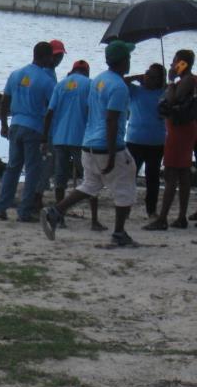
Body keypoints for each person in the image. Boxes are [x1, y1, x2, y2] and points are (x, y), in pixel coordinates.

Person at [41, 40, 138, 247]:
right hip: (107, 145)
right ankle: (119, 233)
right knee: (125, 186)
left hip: (88, 143)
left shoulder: (99, 80)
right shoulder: (118, 87)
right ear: (124, 61)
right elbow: (111, 120)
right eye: (128, 57)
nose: (130, 60)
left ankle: (55, 211)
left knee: (90, 184)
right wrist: (112, 153)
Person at [0, 42, 55, 222]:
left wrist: (4, 124)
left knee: (12, 167)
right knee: (32, 170)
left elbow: (4, 101)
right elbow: (52, 109)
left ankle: (1, 207)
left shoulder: (16, 74)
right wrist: (46, 135)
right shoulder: (46, 80)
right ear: (47, 57)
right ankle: (24, 211)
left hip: (15, 124)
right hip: (34, 127)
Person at [42, 59, 104, 230]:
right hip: (80, 139)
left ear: (72, 71)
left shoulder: (60, 85)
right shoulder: (90, 84)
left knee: (60, 179)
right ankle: (94, 221)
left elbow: (49, 112)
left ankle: (60, 218)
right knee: (91, 179)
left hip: (60, 138)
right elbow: (93, 111)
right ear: (86, 72)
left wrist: (44, 137)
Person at [144, 50, 197, 230]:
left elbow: (174, 99)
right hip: (183, 129)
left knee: (172, 173)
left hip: (179, 131)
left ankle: (163, 218)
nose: (172, 64)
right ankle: (181, 217)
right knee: (183, 173)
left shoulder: (187, 80)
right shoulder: (190, 80)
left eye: (175, 61)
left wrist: (171, 81)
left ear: (182, 63)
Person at [124, 63, 166, 218]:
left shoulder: (163, 93)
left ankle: (151, 209)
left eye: (153, 77)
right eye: (147, 74)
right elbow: (120, 81)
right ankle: (125, 207)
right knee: (129, 176)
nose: (148, 78)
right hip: (134, 140)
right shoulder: (135, 90)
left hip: (156, 142)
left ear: (159, 80)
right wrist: (136, 77)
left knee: (152, 177)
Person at [35, 39, 66, 207]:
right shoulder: (45, 74)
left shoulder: (50, 73)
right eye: (56, 55)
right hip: (45, 127)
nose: (58, 59)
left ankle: (37, 195)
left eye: (60, 56)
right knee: (46, 163)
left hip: (50, 127)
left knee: (46, 163)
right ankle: (37, 197)